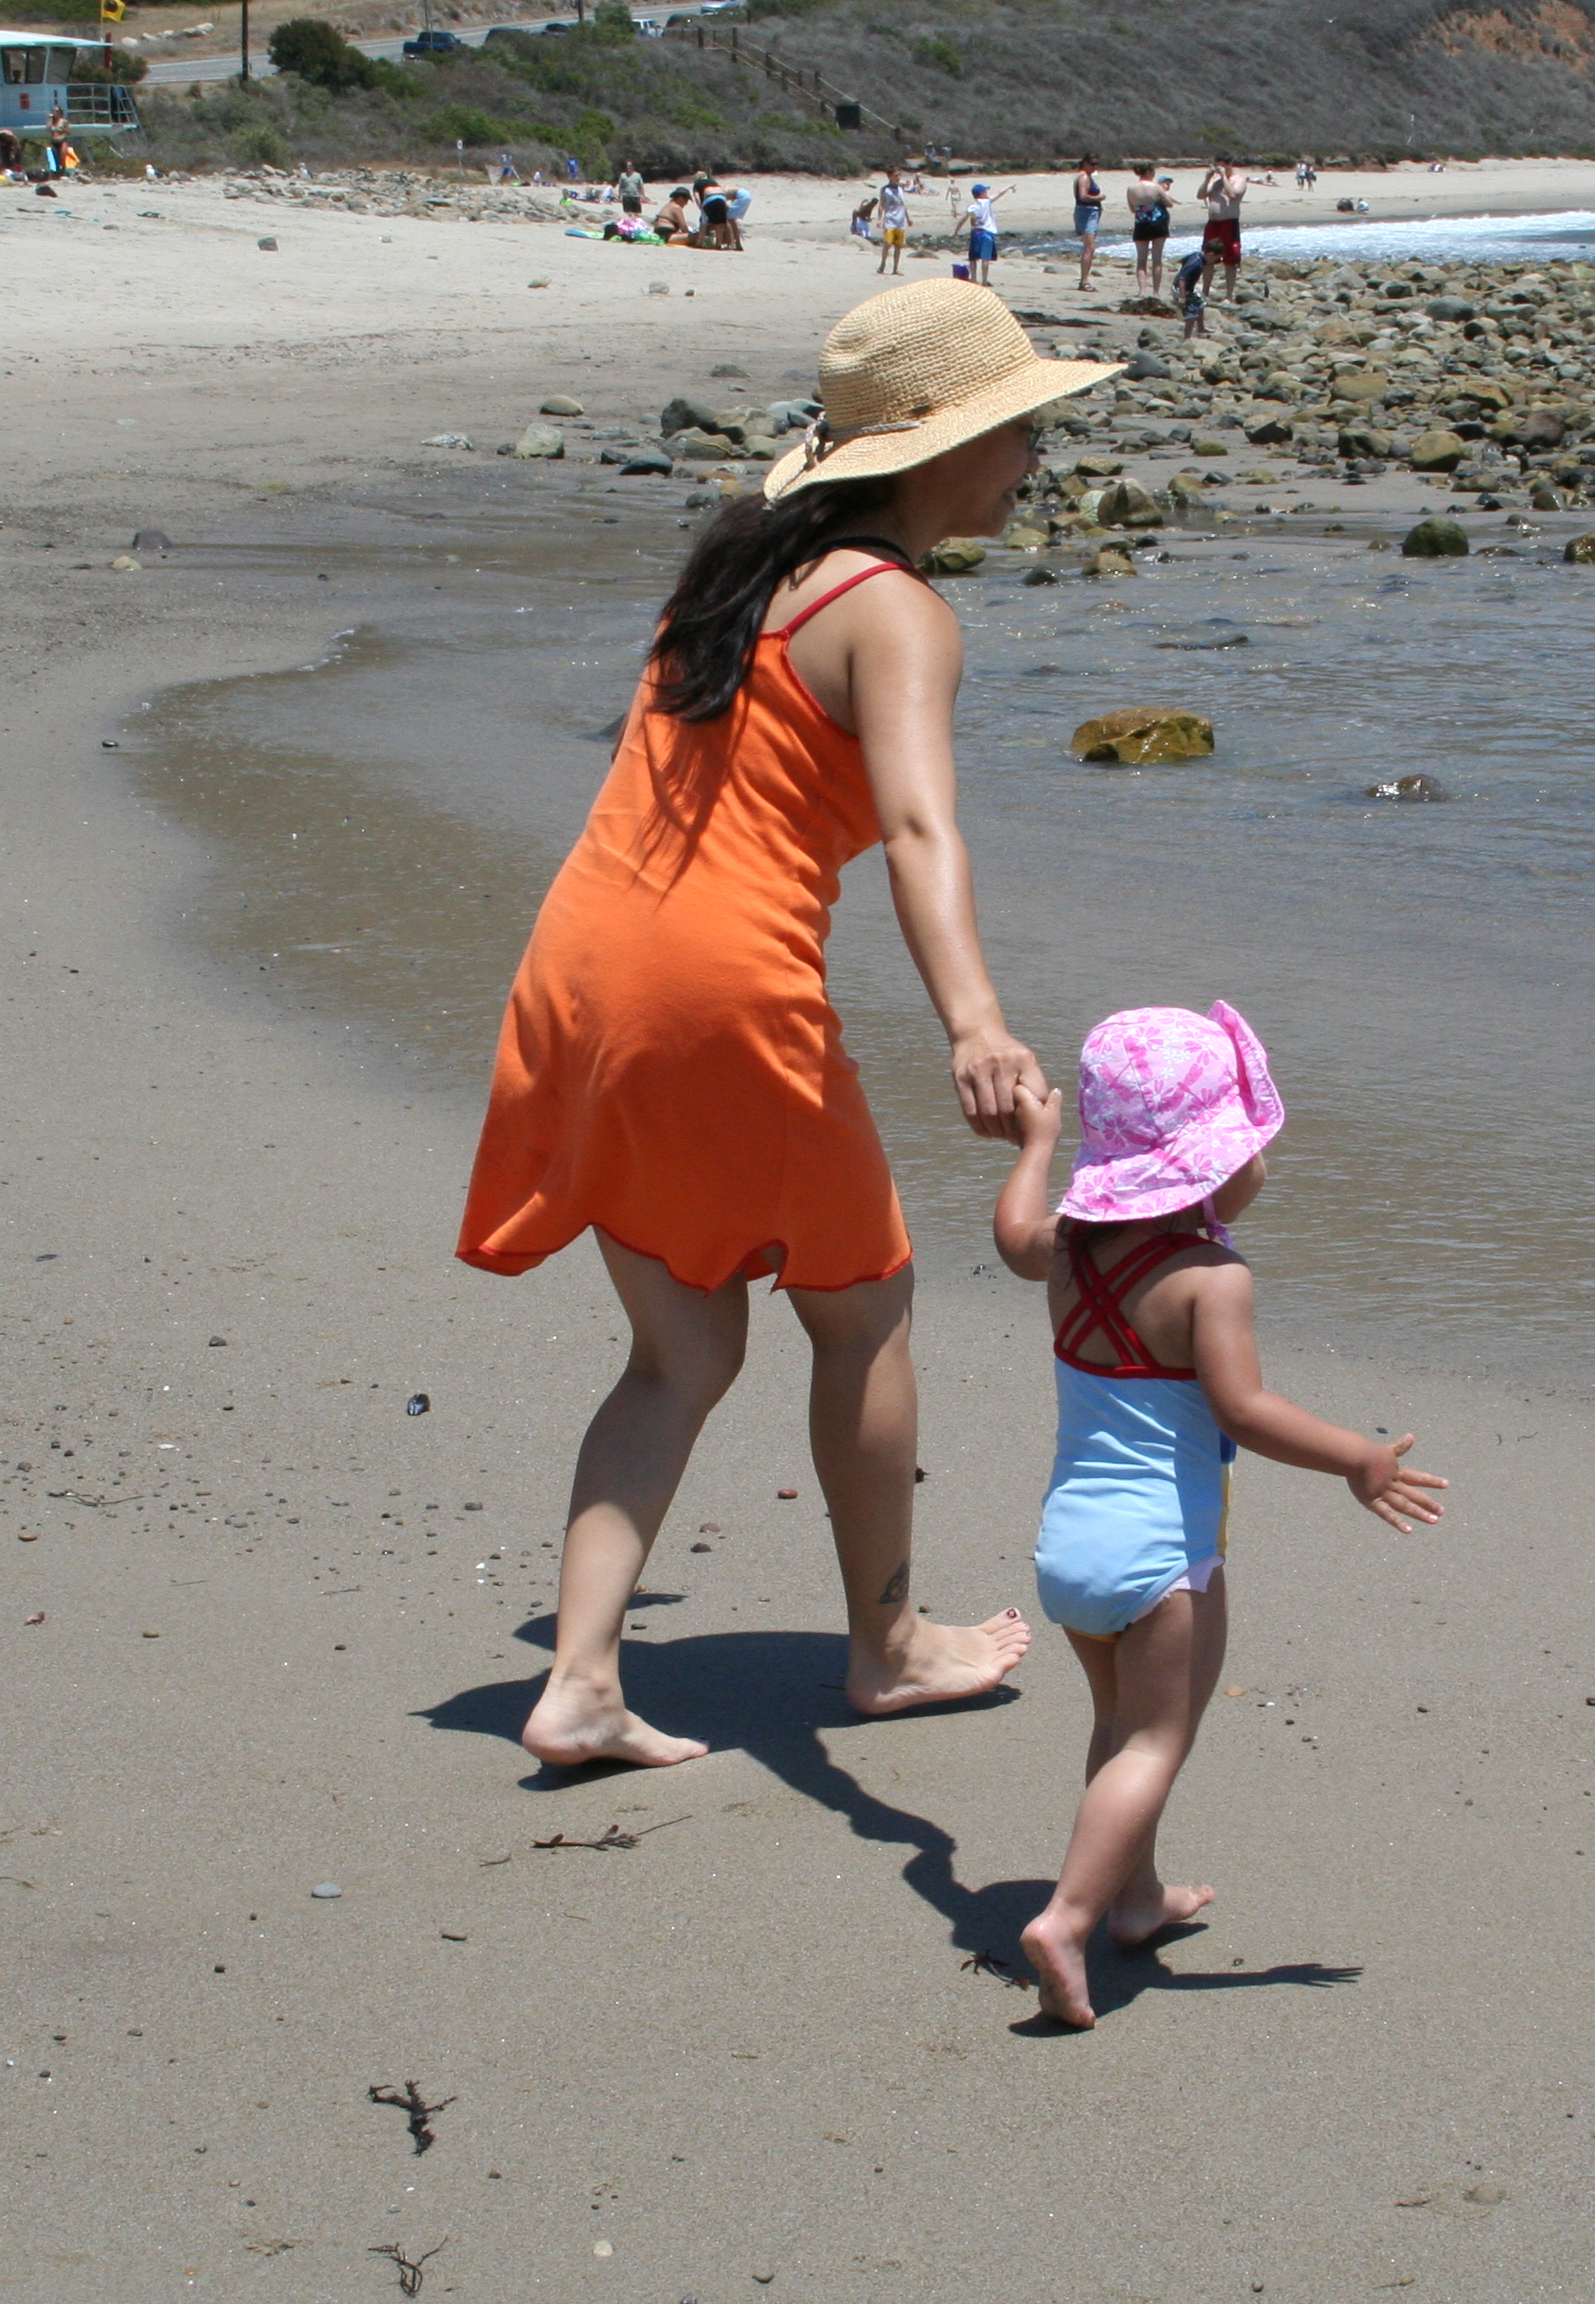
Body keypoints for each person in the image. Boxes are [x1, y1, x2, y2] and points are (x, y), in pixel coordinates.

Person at [457, 279, 1127, 1769]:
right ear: (940, 446)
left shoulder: (738, 578)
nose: (1036, 460)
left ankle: (579, 1681)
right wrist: (976, 1023)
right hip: (720, 985)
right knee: (864, 1307)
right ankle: (887, 1648)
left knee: (682, 1350)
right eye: (1021, 430)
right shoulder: (897, 611)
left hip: (584, 965)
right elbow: (919, 828)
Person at [990, 1005, 1446, 2029]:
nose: (1260, 1166)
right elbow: (1244, 1411)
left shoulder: (1069, 1252)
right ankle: (1067, 1918)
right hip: (1163, 1557)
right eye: (1247, 1148)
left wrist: (1037, 1145)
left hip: (1069, 1549)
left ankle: (1136, 1898)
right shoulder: (1210, 1278)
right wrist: (1357, 1458)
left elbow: (1012, 1234)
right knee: (1157, 1742)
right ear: (1203, 1167)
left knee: (1119, 1729)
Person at [1197, 161, 1243, 298]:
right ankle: (1205, 291)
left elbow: (1233, 195)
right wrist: (1207, 178)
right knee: (1208, 257)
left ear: (1230, 164)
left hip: (1228, 223)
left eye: (1223, 165)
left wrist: (1224, 176)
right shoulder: (1215, 182)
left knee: (1230, 260)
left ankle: (1229, 295)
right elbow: (1200, 195)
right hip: (1213, 223)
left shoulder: (1238, 180)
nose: (1221, 168)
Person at [1126, 166, 1171, 296]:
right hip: (1158, 222)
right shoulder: (1156, 187)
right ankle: (1156, 291)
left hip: (1141, 222)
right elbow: (1169, 203)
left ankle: (1142, 291)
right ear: (1149, 172)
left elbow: (1132, 208)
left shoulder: (1131, 188)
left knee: (1141, 260)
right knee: (1157, 259)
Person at [1070, 153, 1103, 291]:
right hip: (1087, 212)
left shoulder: (1086, 176)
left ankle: (1084, 279)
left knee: (1089, 247)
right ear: (1085, 163)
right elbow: (1083, 196)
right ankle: (1084, 281)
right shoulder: (1083, 177)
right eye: (1092, 164)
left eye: (1097, 164)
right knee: (1089, 247)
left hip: (1088, 212)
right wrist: (1098, 198)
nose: (1095, 167)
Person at [965, 179, 1005, 278]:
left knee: (973, 259)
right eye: (985, 191)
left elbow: (971, 221)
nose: (987, 193)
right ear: (982, 193)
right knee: (985, 259)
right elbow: (999, 193)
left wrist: (955, 231)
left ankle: (973, 279)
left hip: (976, 232)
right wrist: (1009, 187)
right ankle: (984, 280)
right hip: (987, 233)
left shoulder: (972, 207)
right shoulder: (987, 202)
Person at [874, 168, 909, 274]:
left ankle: (895, 269)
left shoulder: (901, 189)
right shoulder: (885, 189)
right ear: (889, 176)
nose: (898, 178)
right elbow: (881, 204)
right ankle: (882, 264)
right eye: (896, 175)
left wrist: (908, 218)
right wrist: (879, 219)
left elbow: (903, 204)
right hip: (890, 220)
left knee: (898, 246)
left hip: (900, 221)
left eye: (899, 175)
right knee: (888, 243)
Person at [1172, 241, 1208, 339]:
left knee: (1200, 301)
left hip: (1186, 288)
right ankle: (1187, 338)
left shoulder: (1197, 255)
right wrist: (1182, 296)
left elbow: (1183, 260)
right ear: (1211, 254)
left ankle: (1201, 328)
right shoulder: (1196, 264)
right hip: (1181, 289)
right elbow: (1182, 279)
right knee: (1192, 312)